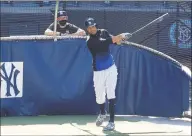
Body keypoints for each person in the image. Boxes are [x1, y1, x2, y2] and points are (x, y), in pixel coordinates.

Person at [84, 17, 129, 131]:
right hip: (98, 71)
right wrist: (120, 36)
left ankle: (112, 121)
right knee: (100, 96)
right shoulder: (89, 41)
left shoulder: (104, 32)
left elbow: (114, 42)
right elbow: (103, 44)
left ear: (96, 26)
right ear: (87, 30)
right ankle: (102, 112)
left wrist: (121, 40)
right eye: (90, 28)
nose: (92, 29)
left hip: (110, 68)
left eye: (93, 26)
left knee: (111, 93)